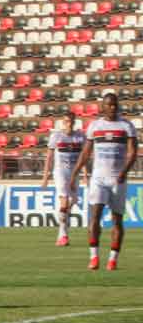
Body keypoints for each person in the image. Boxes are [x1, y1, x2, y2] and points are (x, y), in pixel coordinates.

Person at [70, 92, 137, 270]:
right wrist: (74, 173)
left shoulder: (127, 126)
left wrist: (124, 172)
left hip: (118, 179)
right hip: (98, 179)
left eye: (115, 105)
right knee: (95, 216)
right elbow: (85, 153)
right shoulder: (94, 126)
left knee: (117, 221)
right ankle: (94, 257)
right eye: (109, 105)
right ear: (103, 106)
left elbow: (133, 152)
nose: (113, 108)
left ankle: (113, 259)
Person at [41, 112, 86, 246]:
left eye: (71, 121)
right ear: (63, 122)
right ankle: (63, 235)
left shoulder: (80, 137)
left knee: (72, 202)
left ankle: (63, 230)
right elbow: (49, 157)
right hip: (60, 172)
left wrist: (85, 175)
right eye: (66, 121)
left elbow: (83, 157)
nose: (69, 124)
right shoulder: (56, 136)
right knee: (65, 202)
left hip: (74, 173)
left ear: (74, 122)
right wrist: (45, 177)